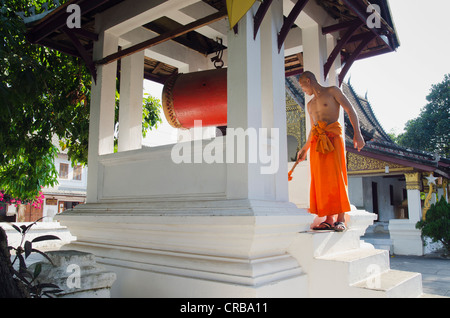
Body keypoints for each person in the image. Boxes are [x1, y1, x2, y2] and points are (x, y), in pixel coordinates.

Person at [297, 71, 365, 232]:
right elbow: (314, 128)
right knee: (321, 180)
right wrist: (305, 149)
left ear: (308, 80)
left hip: (333, 139)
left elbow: (350, 110)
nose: (303, 90)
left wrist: (358, 133)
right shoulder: (310, 104)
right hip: (318, 143)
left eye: (302, 86)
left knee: (337, 177)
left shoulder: (333, 91)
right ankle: (328, 218)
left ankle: (340, 219)